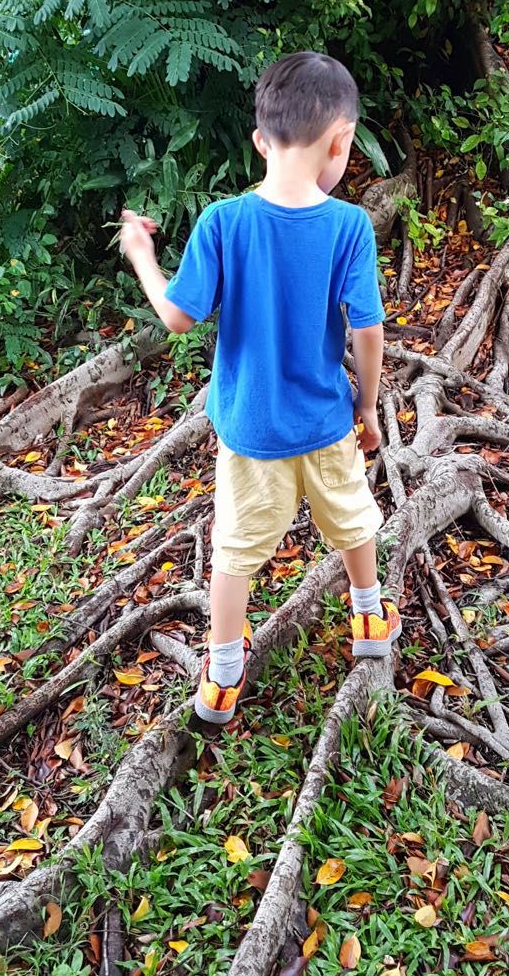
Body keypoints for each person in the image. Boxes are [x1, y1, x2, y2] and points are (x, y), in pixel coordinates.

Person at [119, 50, 400, 725]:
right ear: (342, 141)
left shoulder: (223, 222)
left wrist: (143, 257)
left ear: (259, 142)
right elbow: (367, 330)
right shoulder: (349, 226)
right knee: (353, 519)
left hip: (250, 431)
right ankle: (368, 618)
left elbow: (176, 317)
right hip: (326, 421)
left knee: (235, 552)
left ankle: (221, 675)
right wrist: (366, 404)